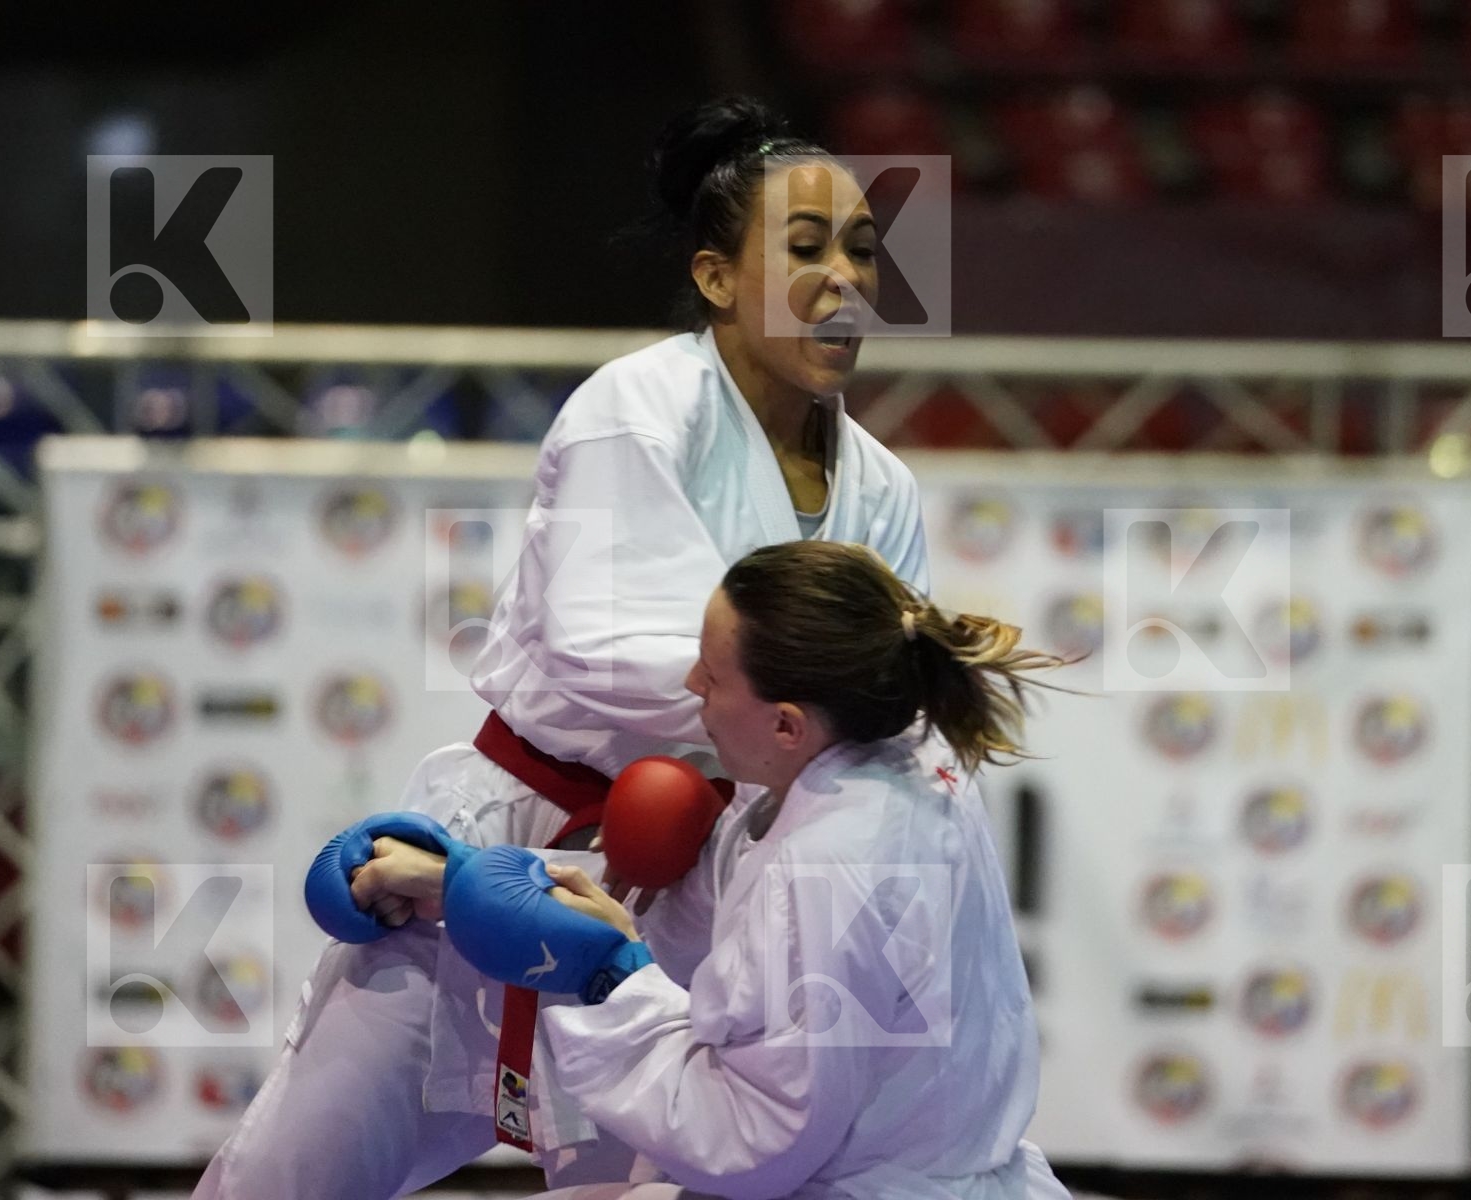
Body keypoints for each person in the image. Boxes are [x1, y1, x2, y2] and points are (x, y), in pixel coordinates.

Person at [194, 96, 929, 1200]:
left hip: (700, 896)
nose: (847, 280)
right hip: (513, 845)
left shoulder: (887, 488)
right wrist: (808, 713)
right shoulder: (636, 409)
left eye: (864, 252)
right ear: (719, 278)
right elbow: (597, 649)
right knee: (285, 1181)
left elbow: (884, 718)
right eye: (808, 247)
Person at [358, 540, 1074, 1200]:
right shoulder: (900, 745)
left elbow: (756, 1143)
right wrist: (462, 878)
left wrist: (610, 979)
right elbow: (722, 897)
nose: (691, 681)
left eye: (714, 673)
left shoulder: (827, 869)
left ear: (787, 724)